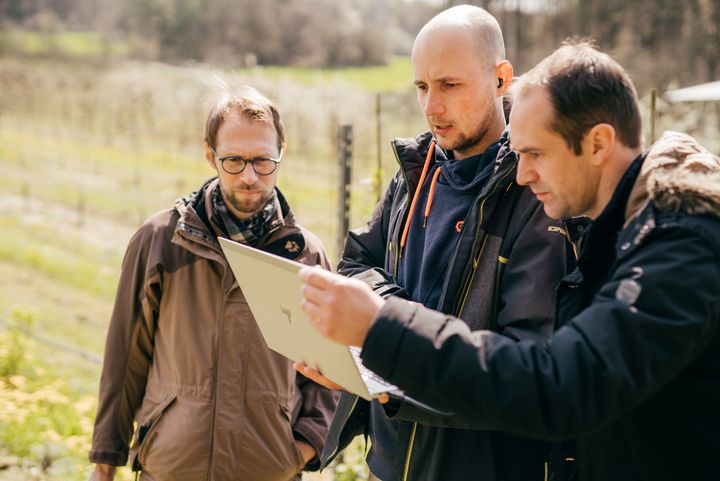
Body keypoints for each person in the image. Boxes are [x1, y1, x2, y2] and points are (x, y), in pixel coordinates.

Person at [299, 42, 720, 481]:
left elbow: (561, 387)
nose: (522, 175)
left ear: (598, 143)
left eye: (535, 154)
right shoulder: (618, 233)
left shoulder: (678, 246)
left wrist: (382, 327)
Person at [297, 5, 574, 481]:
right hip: (388, 463)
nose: (431, 107)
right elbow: (359, 262)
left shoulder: (536, 193)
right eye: (422, 87)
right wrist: (377, 346)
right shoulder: (415, 170)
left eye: (449, 85)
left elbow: (521, 366)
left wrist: (390, 350)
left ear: (501, 79)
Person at [87, 84, 338, 481]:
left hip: (267, 471)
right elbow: (124, 358)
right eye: (234, 161)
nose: (250, 176)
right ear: (210, 155)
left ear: (282, 153)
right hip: (170, 467)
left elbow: (330, 373)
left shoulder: (306, 256)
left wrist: (304, 446)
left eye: (263, 161)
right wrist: (105, 461)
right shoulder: (159, 241)